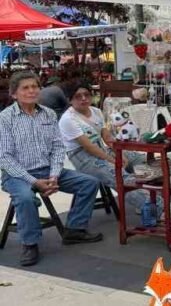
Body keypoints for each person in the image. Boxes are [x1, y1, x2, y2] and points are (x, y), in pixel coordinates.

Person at [0, 70, 103, 267]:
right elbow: (4, 157)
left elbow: (57, 147)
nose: (32, 91)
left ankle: (75, 229)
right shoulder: (5, 119)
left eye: (34, 87)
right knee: (25, 197)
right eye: (25, 88)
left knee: (89, 182)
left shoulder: (47, 113)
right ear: (14, 94)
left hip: (48, 170)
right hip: (17, 175)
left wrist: (54, 175)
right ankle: (30, 243)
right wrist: (34, 181)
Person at [58, 82, 159, 215]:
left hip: (102, 150)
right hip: (84, 158)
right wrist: (113, 160)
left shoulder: (96, 111)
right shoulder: (68, 119)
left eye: (86, 95)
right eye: (78, 96)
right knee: (119, 175)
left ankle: (148, 201)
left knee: (143, 161)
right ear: (69, 99)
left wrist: (120, 153)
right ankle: (156, 208)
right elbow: (88, 147)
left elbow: (107, 137)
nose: (83, 99)